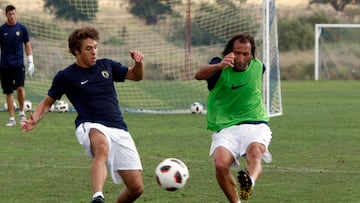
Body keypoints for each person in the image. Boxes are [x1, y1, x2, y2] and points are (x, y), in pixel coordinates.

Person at [21, 26, 144, 203]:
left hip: (118, 128)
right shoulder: (66, 76)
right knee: (101, 148)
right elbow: (48, 102)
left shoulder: (107, 65)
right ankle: (97, 196)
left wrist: (138, 63)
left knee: (136, 188)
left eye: (95, 47)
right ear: (76, 51)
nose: (94, 52)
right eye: (88, 48)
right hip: (91, 124)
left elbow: (136, 76)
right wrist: (35, 119)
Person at [194, 33, 272, 203]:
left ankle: (249, 181)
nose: (241, 58)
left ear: (252, 54)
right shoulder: (218, 65)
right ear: (229, 52)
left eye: (246, 54)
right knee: (221, 165)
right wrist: (219, 66)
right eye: (237, 53)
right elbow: (198, 75)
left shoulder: (260, 67)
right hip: (225, 127)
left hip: (255, 124)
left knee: (255, 153)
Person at [0, 4, 35, 127]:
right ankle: (11, 119)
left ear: (16, 14)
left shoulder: (22, 28)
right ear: (6, 15)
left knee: (20, 88)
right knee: (8, 92)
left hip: (18, 64)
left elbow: (27, 44)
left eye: (14, 14)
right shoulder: (2, 30)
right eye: (10, 14)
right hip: (4, 66)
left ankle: (21, 112)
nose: (12, 16)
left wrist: (30, 61)